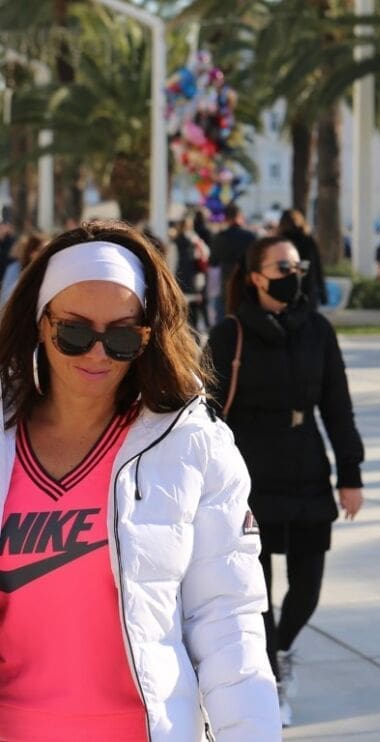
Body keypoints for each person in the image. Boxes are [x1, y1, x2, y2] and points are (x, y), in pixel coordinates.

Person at [0, 221, 279, 738]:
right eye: (74, 332)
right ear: (40, 322)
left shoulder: (191, 444)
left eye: (122, 336)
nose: (98, 353)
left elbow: (227, 620)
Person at [206, 235, 364, 726]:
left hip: (307, 464)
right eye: (282, 267)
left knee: (308, 585)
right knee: (258, 591)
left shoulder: (317, 329)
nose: (293, 275)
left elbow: (337, 404)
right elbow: (206, 413)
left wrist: (350, 472)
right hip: (250, 472)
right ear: (256, 277)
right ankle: (271, 679)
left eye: (298, 266)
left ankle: (280, 650)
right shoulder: (229, 334)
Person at [210, 203, 258, 315]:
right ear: (240, 216)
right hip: (247, 287)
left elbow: (213, 262)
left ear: (225, 218)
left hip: (226, 286)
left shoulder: (219, 237)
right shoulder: (251, 237)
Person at [277, 209, 328, 307]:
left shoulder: (279, 242)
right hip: (308, 289)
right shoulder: (307, 240)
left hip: (286, 290)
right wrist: (323, 293)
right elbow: (317, 267)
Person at [0, 232, 48, 309]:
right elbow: (5, 298)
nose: (47, 254)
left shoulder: (47, 272)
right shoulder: (14, 268)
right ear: (32, 253)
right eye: (43, 250)